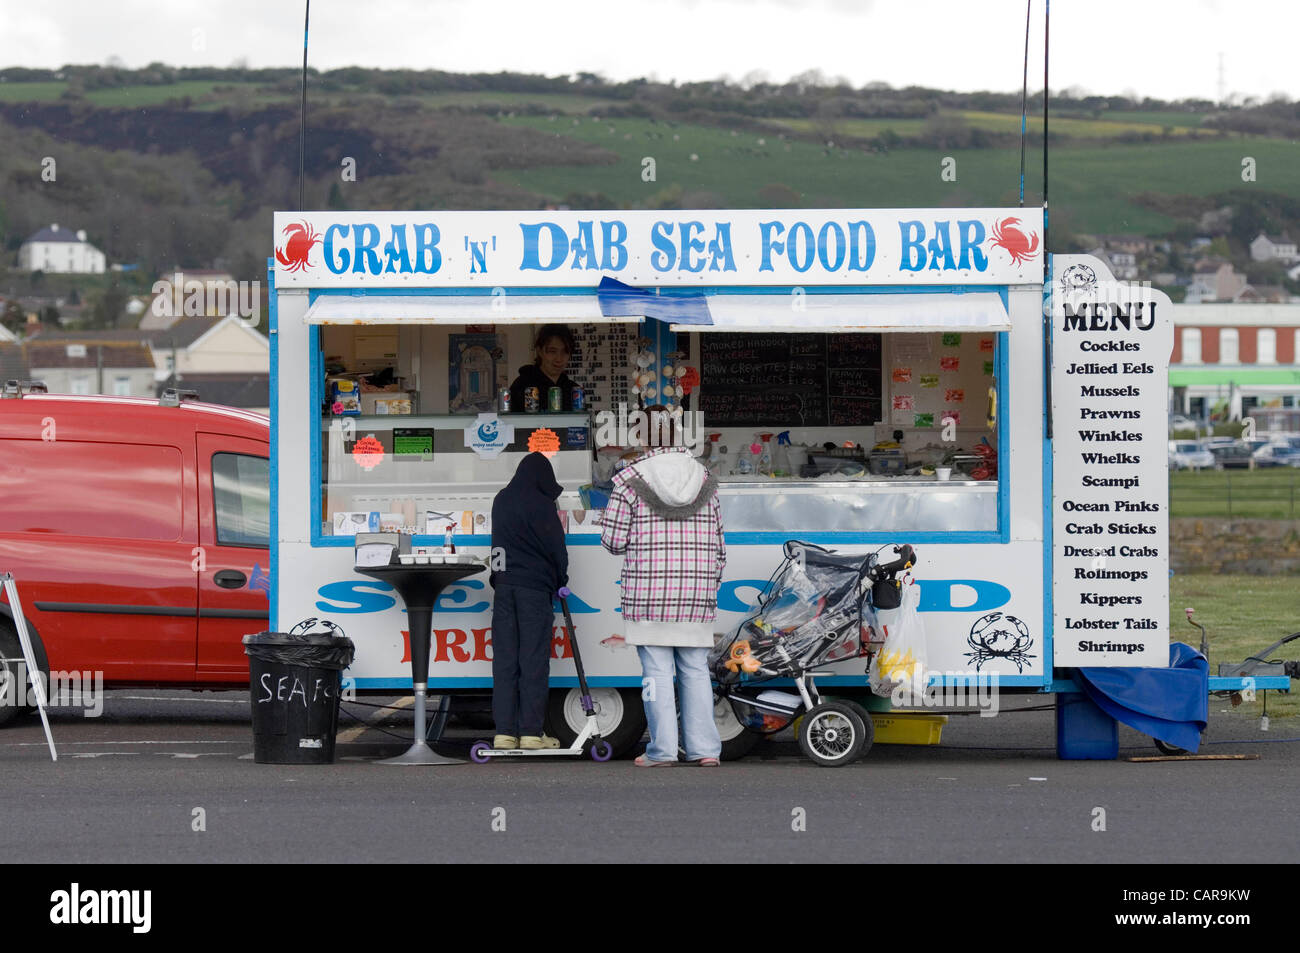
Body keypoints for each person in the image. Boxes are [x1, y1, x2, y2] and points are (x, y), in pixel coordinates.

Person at [600, 413, 726, 766]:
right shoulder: (706, 478)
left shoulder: (629, 478)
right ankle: (705, 751)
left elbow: (612, 541)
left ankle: (663, 750)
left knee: (656, 671)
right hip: (697, 591)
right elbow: (719, 543)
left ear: (643, 438)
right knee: (696, 669)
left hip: (650, 591)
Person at [489, 452, 569, 750]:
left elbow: (496, 544)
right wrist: (561, 579)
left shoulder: (502, 499)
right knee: (533, 661)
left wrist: (499, 580)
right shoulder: (541, 504)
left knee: (506, 662)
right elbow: (556, 548)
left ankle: (504, 733)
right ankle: (532, 733)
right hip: (534, 591)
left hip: (505, 589)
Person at [509, 324, 579, 411]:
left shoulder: (573, 390)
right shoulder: (522, 385)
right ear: (539, 351)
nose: (559, 358)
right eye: (552, 351)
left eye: (565, 352)